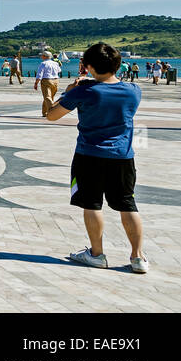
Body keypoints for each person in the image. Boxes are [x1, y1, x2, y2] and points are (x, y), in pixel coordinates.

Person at [44, 42, 147, 273]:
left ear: (88, 66)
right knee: (127, 204)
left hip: (89, 155)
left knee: (91, 204)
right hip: (122, 156)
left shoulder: (83, 91)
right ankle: (137, 257)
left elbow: (52, 116)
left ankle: (97, 254)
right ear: (118, 65)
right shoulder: (133, 91)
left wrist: (69, 92)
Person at [36, 50, 61, 115]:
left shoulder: (43, 63)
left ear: (44, 56)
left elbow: (39, 74)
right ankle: (44, 112)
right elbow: (59, 70)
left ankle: (52, 112)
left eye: (42, 55)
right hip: (56, 80)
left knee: (47, 97)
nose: (41, 56)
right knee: (50, 97)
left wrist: (36, 83)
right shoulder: (55, 63)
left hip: (46, 80)